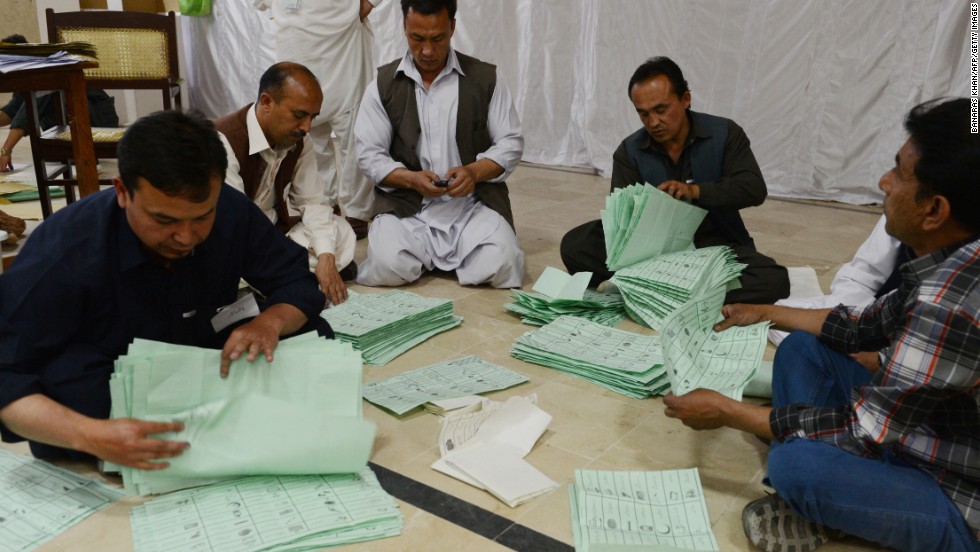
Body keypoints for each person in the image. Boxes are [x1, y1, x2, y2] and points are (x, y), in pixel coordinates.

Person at [663, 98, 979, 551]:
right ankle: (832, 494)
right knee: (802, 348)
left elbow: (862, 428)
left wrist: (729, 412)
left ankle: (824, 497)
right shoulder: (953, 262)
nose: (883, 183)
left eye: (899, 174)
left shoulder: (949, 300)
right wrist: (766, 312)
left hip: (960, 496)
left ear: (935, 210)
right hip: (930, 431)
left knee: (798, 467)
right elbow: (860, 325)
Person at [0, 110, 332, 470]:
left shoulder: (230, 211)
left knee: (315, 335)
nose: (186, 238)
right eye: (164, 220)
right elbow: (7, 376)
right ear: (123, 192)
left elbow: (296, 282)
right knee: (64, 386)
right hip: (115, 369)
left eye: (202, 217)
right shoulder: (65, 248)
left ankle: (213, 418)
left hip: (200, 346)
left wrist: (270, 322)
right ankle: (121, 437)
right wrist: (90, 434)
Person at [560, 56, 789, 304]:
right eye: (643, 114)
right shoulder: (629, 151)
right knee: (575, 245)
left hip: (714, 245)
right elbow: (622, 221)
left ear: (685, 99)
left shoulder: (725, 134)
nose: (653, 122)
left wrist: (696, 192)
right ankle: (678, 290)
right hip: (652, 255)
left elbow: (753, 188)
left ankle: (649, 290)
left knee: (773, 279)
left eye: (661, 110)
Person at [353, 0, 525, 288]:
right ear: (404, 28)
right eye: (417, 39)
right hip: (408, 208)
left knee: (503, 262)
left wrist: (474, 172)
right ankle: (429, 257)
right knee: (386, 265)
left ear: (453, 28)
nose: (427, 51)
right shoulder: (383, 84)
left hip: (472, 207)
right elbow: (369, 154)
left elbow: (510, 141)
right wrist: (410, 179)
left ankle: (444, 257)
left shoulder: (485, 78)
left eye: (438, 38)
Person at [215, 62, 356, 306]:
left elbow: (312, 201)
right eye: (300, 115)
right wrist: (281, 252)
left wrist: (325, 256)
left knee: (341, 232)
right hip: (234, 240)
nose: (307, 127)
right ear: (267, 102)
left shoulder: (300, 141)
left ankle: (287, 277)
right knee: (222, 262)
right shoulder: (223, 140)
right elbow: (234, 221)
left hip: (274, 231)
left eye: (313, 117)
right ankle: (279, 279)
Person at [252, 0, 381, 239]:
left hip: (342, 34)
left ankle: (357, 213)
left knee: (355, 134)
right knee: (309, 133)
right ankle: (323, 204)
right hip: (296, 38)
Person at [0, 34, 119, 172]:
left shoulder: (44, 70)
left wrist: (5, 150)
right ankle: (67, 150)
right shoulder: (21, 75)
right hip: (74, 124)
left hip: (100, 122)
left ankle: (80, 152)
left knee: (44, 93)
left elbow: (23, 116)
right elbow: (12, 111)